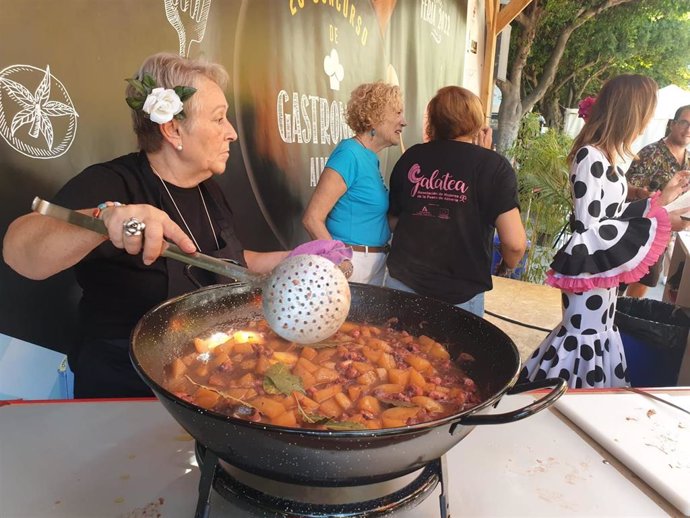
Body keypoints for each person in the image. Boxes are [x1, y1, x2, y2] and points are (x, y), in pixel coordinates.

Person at [2, 53, 349, 399]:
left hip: (204, 384)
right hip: (125, 391)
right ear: (173, 129)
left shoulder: (208, 189)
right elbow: (21, 253)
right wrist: (104, 217)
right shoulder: (112, 183)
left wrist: (297, 260)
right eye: (218, 119)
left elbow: (231, 262)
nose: (231, 133)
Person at [520, 75, 690, 389]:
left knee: (593, 336)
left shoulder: (606, 156)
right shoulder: (590, 156)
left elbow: (610, 215)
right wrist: (662, 220)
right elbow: (590, 229)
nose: (649, 120)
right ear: (629, 112)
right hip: (589, 269)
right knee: (582, 338)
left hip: (599, 271)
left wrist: (662, 201)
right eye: (646, 112)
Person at [385, 86, 527, 317]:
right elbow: (515, 244)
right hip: (459, 296)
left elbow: (394, 222)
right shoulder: (494, 167)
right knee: (451, 355)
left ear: (434, 121)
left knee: (397, 351)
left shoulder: (411, 157)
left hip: (404, 286)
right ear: (477, 122)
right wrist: (508, 265)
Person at [302, 82, 407, 285]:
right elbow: (312, 218)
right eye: (398, 113)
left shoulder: (370, 158)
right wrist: (338, 259)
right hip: (352, 264)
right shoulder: (349, 154)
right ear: (375, 116)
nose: (404, 122)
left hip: (374, 263)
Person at [624, 104, 690, 298]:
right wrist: (646, 195)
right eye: (684, 123)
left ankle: (625, 316)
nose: (688, 130)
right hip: (638, 229)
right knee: (621, 281)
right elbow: (627, 189)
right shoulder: (650, 153)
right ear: (672, 124)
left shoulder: (688, 160)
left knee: (646, 280)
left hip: (664, 234)